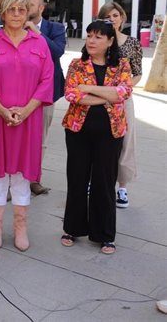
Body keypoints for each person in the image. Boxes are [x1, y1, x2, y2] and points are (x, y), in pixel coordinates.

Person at [0, 0, 53, 252]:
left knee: (22, 175)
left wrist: (26, 110)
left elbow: (47, 81)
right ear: (3, 12)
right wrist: (4, 110)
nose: (17, 14)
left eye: (22, 9)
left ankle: (21, 227)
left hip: (29, 120)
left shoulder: (39, 43)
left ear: (28, 12)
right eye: (12, 10)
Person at [61, 20, 132, 255]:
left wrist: (88, 88)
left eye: (98, 37)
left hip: (111, 133)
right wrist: (108, 96)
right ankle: (72, 228)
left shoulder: (122, 65)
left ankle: (105, 235)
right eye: (89, 35)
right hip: (78, 131)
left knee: (104, 182)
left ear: (110, 41)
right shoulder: (76, 64)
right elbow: (72, 94)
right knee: (77, 179)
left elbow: (124, 92)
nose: (91, 40)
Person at [96, 2, 142, 209]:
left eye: (115, 15)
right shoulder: (98, 41)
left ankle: (122, 187)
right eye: (107, 16)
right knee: (97, 141)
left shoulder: (132, 43)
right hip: (97, 99)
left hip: (123, 100)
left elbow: (137, 73)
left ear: (121, 18)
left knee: (125, 142)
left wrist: (121, 89)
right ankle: (93, 182)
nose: (112, 19)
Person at [26, 0, 66, 196]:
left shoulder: (55, 29)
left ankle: (34, 179)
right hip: (21, 92)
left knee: (40, 138)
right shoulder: (16, 28)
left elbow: (57, 52)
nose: (26, 7)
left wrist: (37, 33)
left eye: (30, 4)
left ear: (41, 8)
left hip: (46, 93)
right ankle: (15, 179)